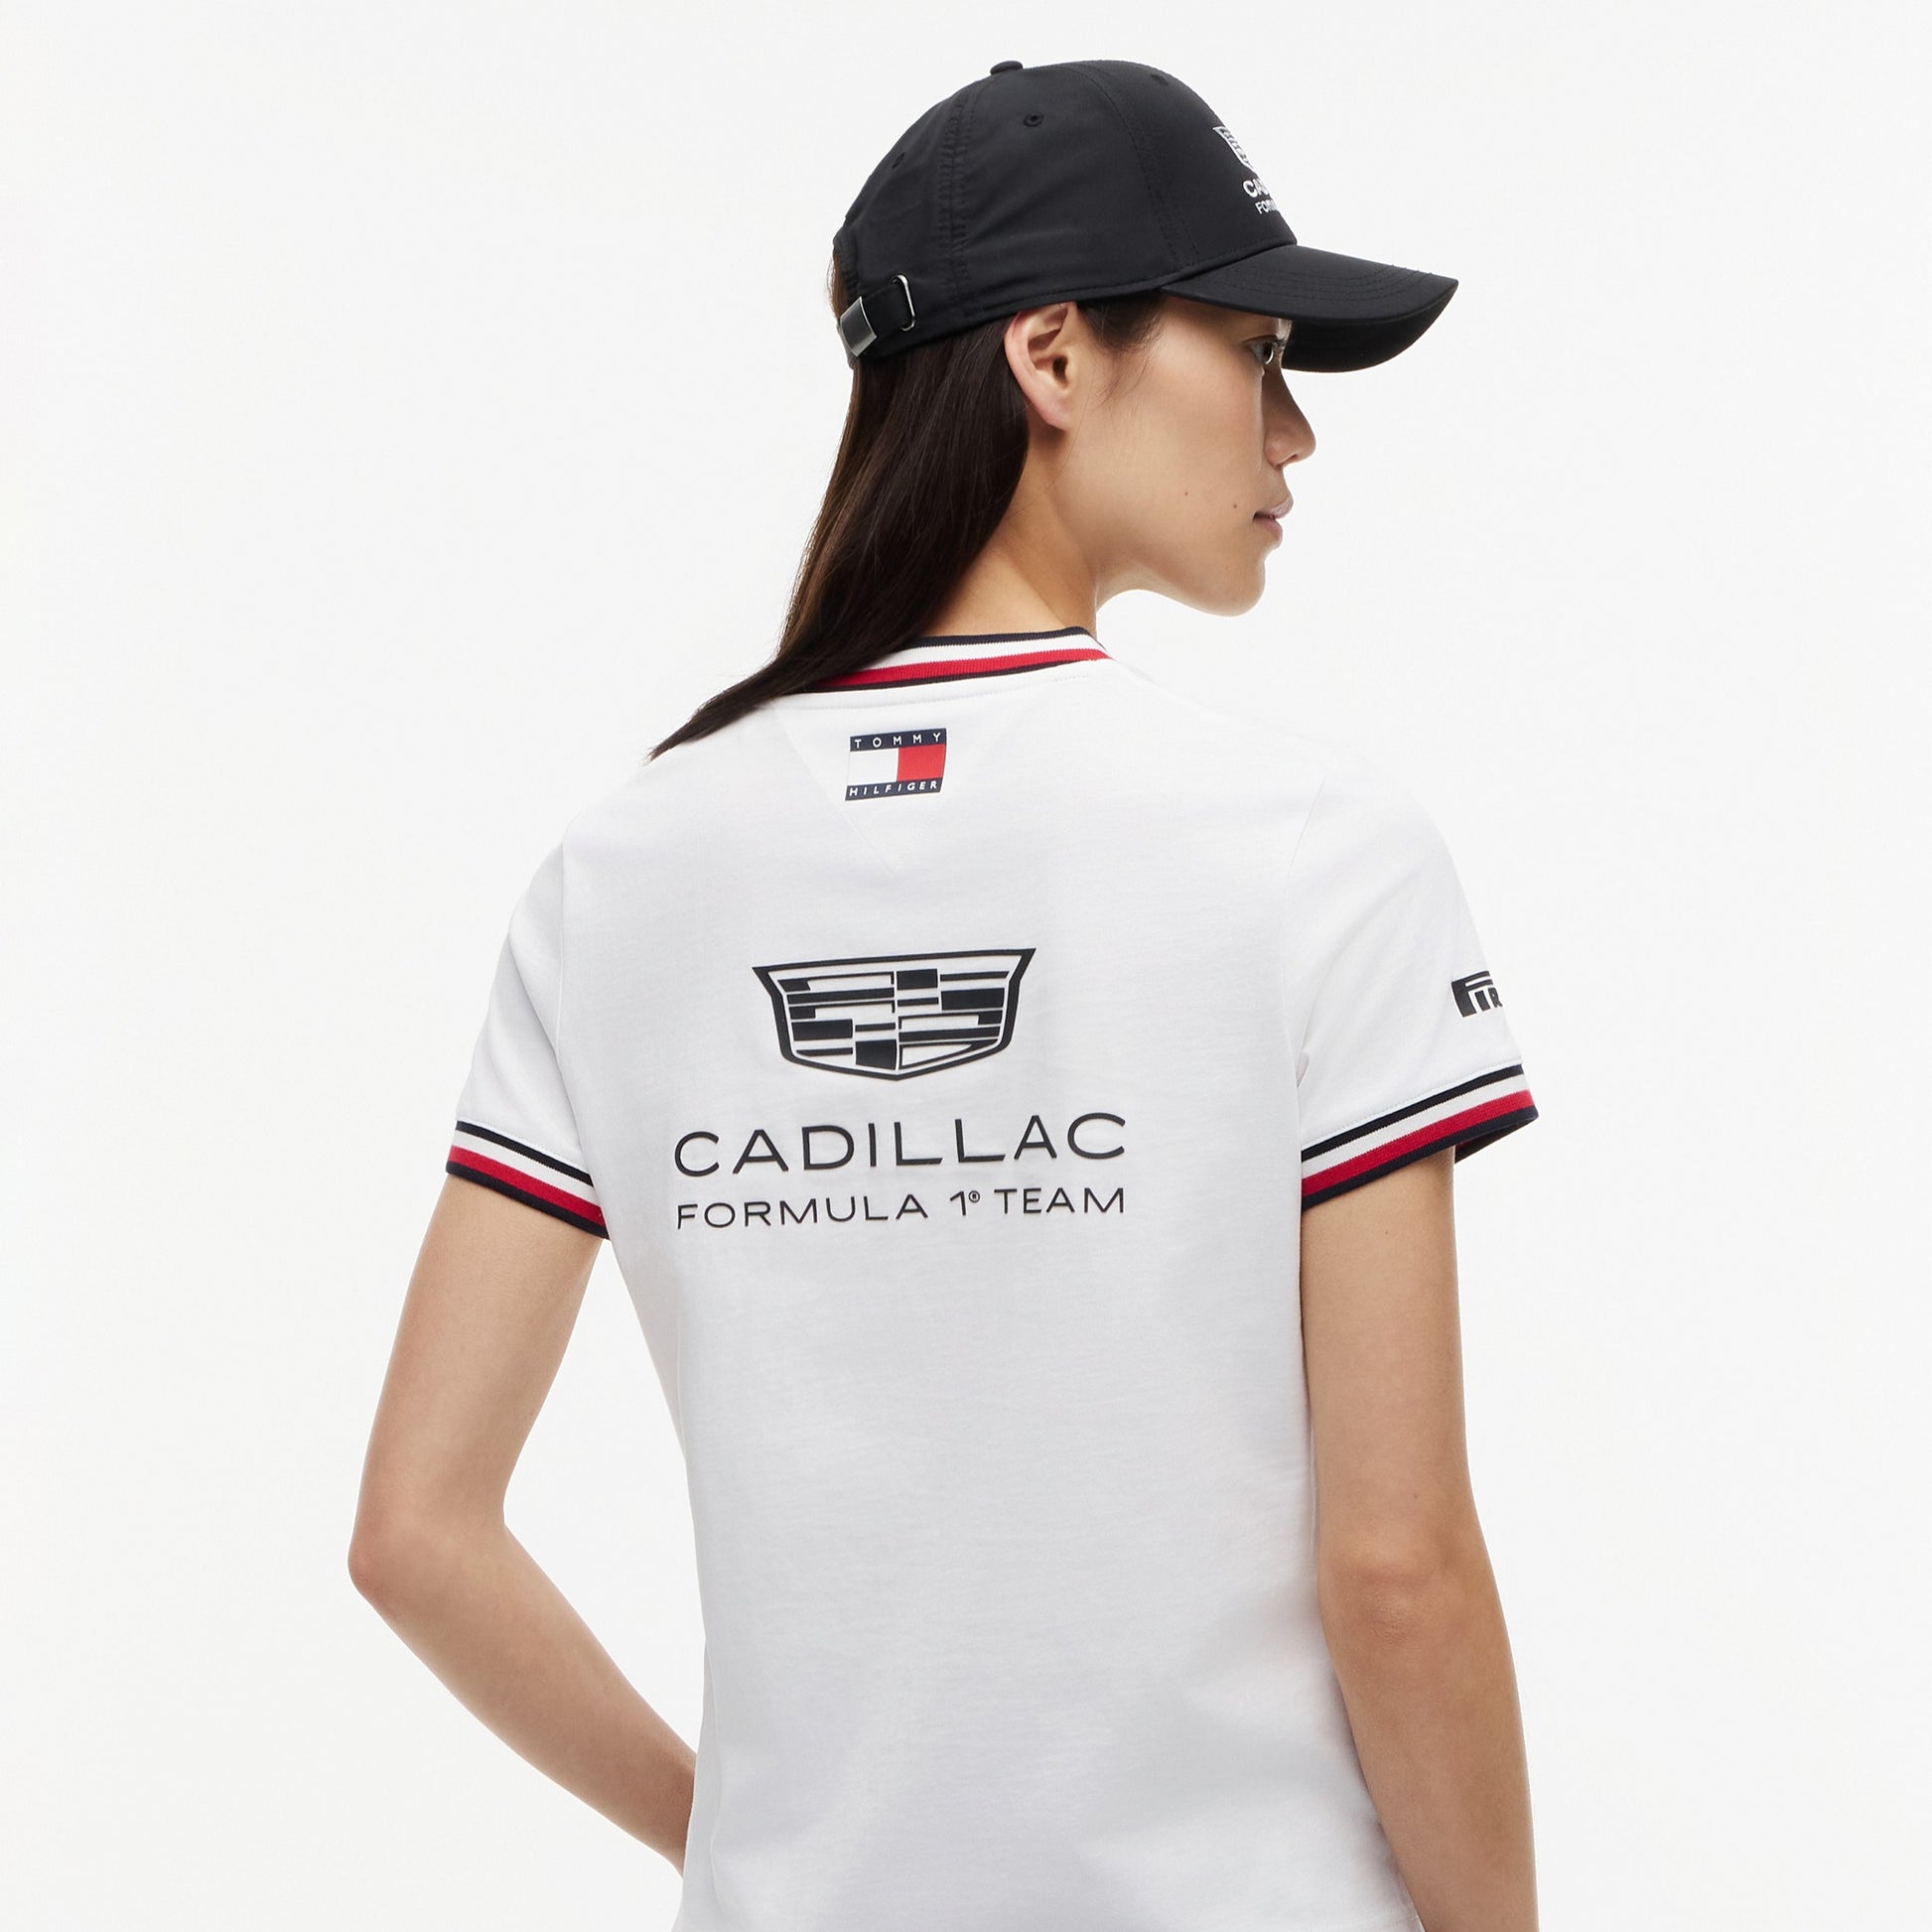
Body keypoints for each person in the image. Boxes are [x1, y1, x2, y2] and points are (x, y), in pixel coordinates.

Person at [349, 57, 1543, 1932]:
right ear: (1053, 356)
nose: (1294, 431)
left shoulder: (619, 875)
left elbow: (416, 1535)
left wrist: (743, 1849)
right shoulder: (1312, 849)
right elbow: (1395, 1570)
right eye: (1255, 351)